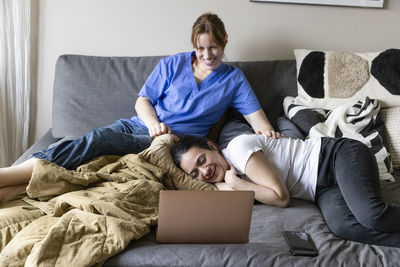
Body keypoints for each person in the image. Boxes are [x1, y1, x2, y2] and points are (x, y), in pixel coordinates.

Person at [0, 12, 281, 204]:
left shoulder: (233, 80)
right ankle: (14, 187)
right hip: (139, 126)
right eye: (200, 49)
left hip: (171, 143)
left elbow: (260, 124)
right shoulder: (173, 64)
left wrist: (270, 135)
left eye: (214, 48)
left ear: (224, 42)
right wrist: (152, 124)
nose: (207, 55)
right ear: (193, 46)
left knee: (98, 140)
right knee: (84, 147)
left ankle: (10, 175)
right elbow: (142, 101)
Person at [170, 133, 400, 247]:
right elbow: (234, 201)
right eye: (195, 174)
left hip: (336, 156)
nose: (204, 172)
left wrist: (237, 183)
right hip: (321, 188)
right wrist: (223, 184)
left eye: (201, 160)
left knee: (371, 215)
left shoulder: (238, 150)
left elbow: (281, 198)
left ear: (211, 147)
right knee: (344, 227)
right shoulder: (223, 179)